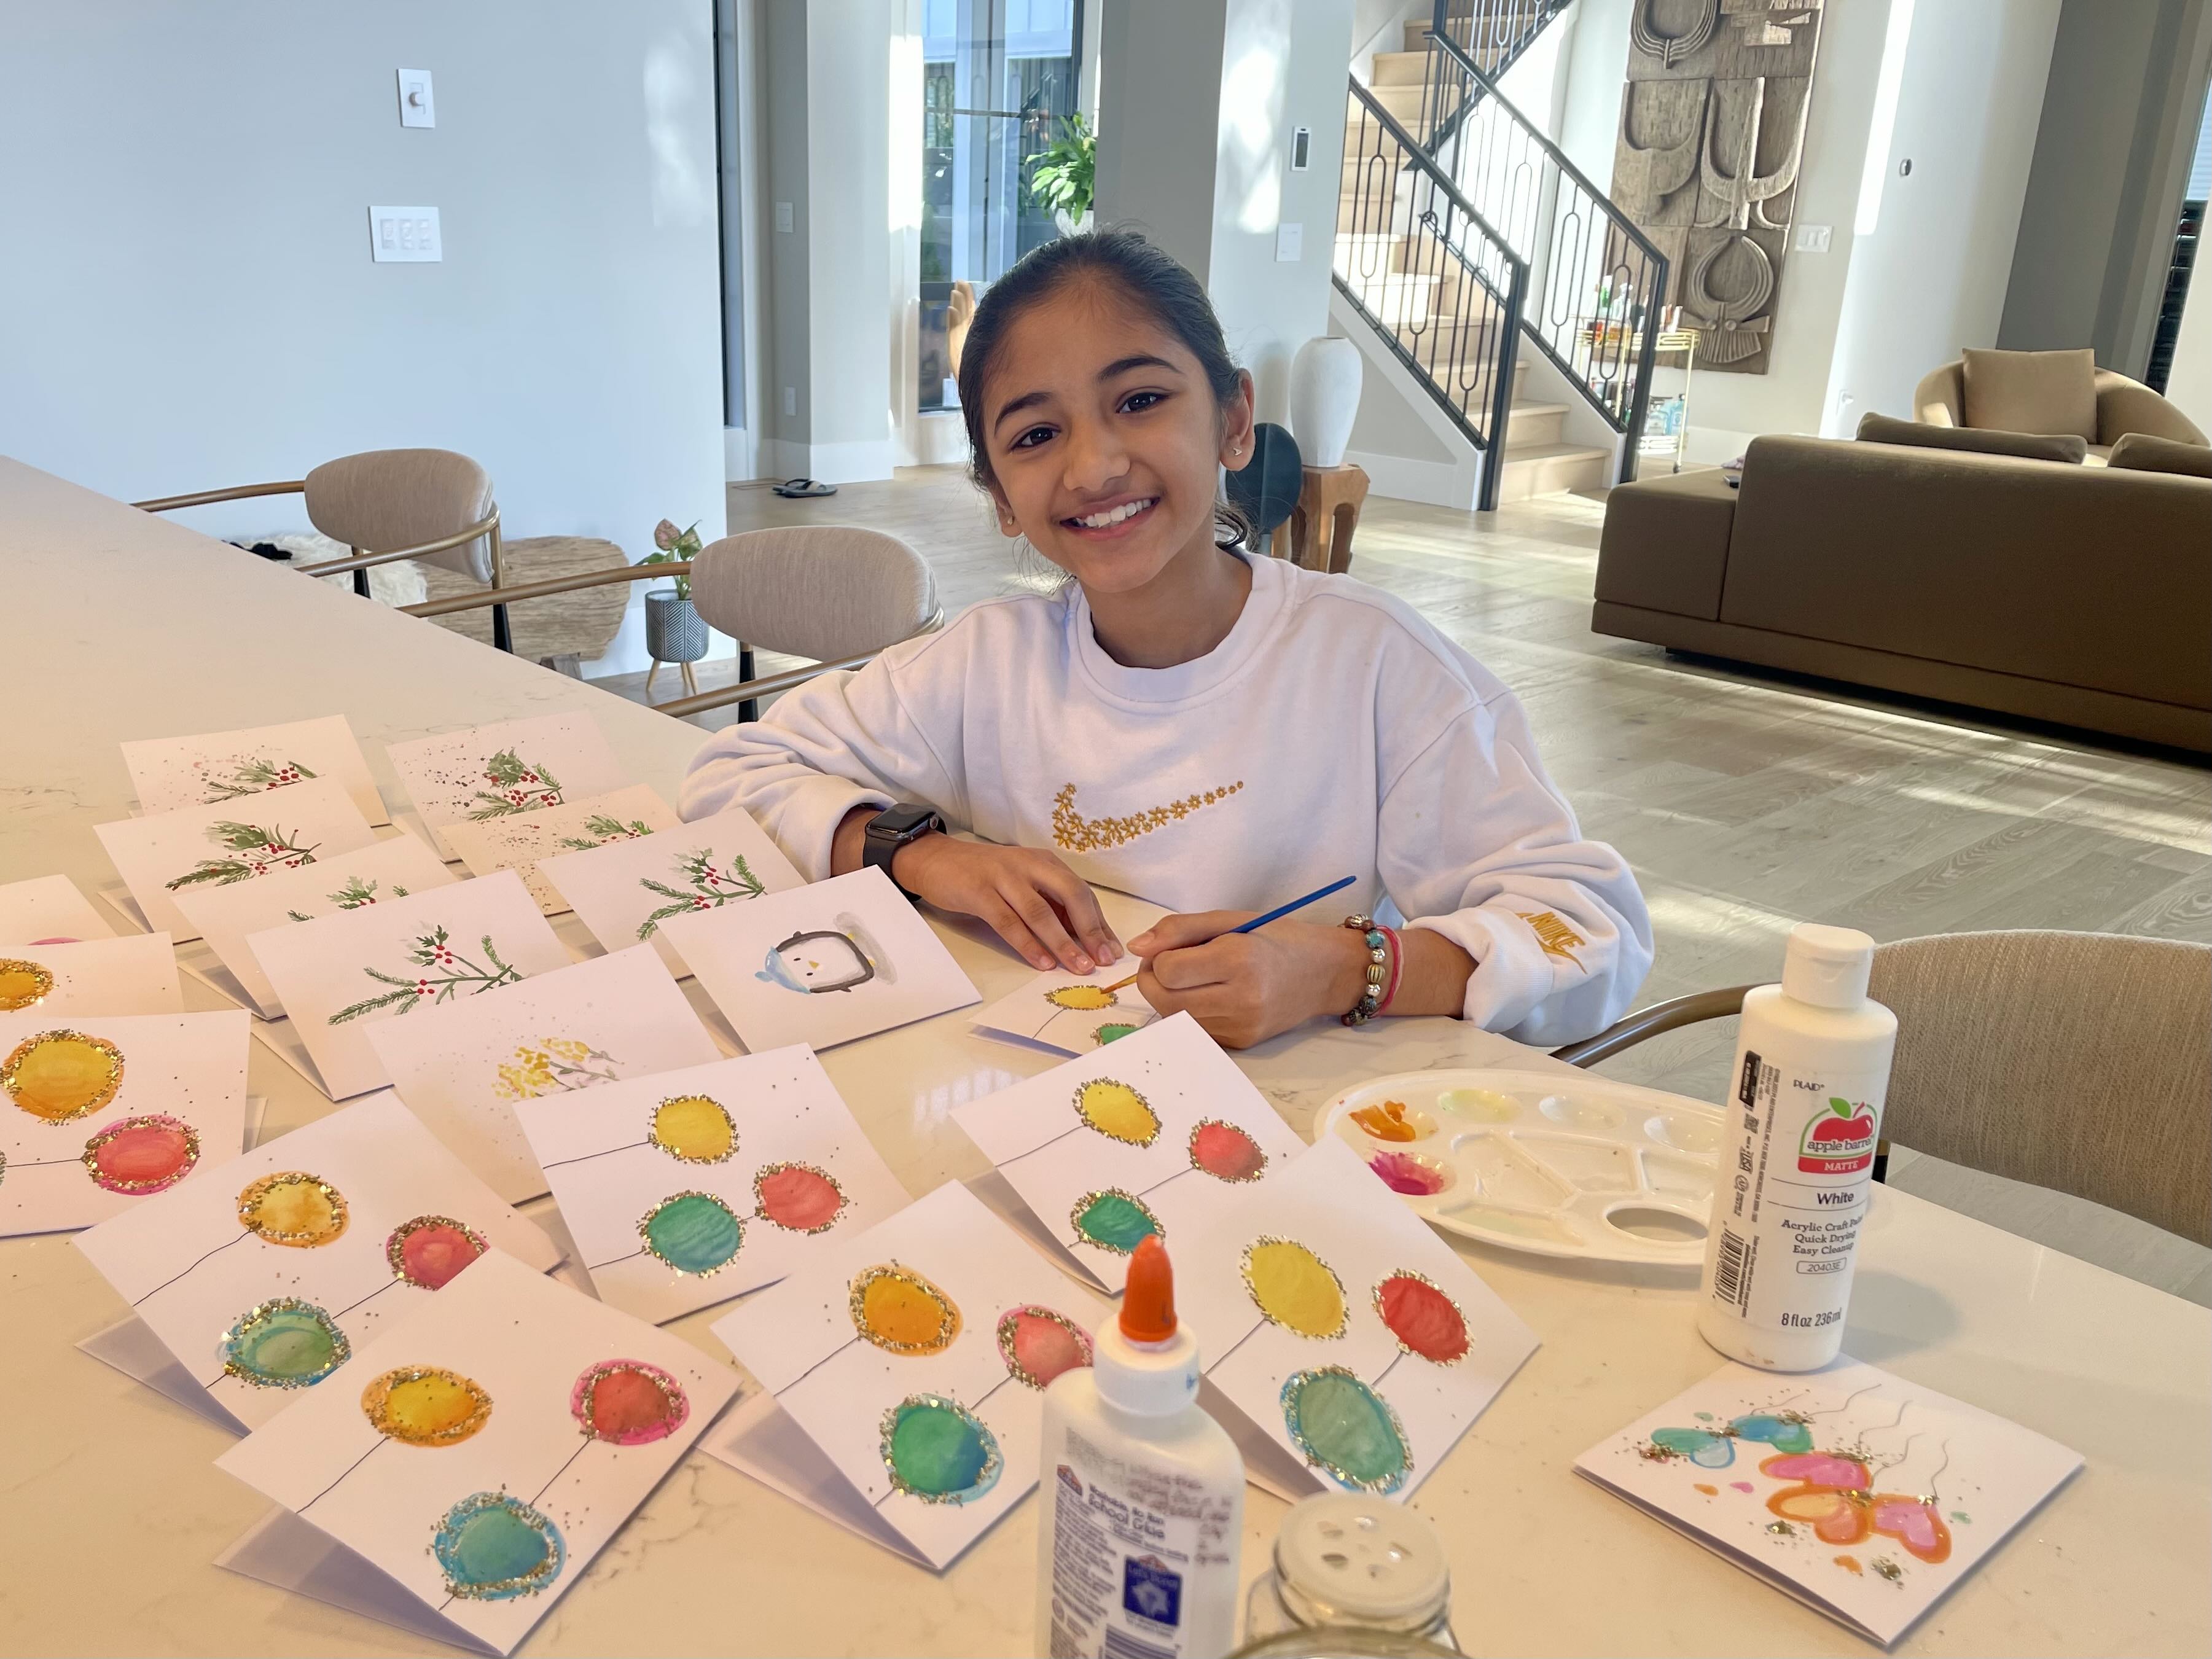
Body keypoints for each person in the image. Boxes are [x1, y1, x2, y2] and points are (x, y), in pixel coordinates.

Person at [684, 232, 1651, 1048]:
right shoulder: (987, 663)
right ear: (1000, 499)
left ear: (1233, 420)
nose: (1094, 466)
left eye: (1140, 401)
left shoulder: (1373, 666)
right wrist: (919, 855)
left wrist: (1343, 966)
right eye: (1034, 436)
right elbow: (730, 774)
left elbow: (1590, 930)